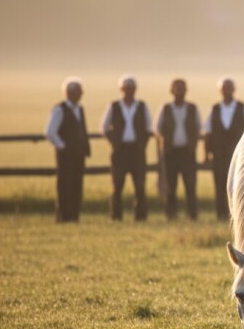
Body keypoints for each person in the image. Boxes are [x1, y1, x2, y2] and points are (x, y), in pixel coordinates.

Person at [102, 75, 152, 221]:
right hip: (120, 151)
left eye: (131, 88)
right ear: (121, 89)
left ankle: (140, 215)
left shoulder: (142, 106)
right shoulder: (114, 106)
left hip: (137, 150)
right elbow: (104, 127)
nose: (129, 91)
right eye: (127, 88)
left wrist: (142, 143)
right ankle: (116, 215)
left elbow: (149, 127)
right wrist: (114, 142)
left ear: (135, 90)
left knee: (140, 186)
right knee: (117, 186)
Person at [204, 77, 244, 221]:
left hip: (237, 155)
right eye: (224, 88)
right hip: (218, 155)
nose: (227, 91)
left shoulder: (243, 108)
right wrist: (206, 154)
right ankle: (221, 215)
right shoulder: (214, 109)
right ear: (220, 91)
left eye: (229, 88)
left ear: (234, 90)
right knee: (219, 185)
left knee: (239, 185)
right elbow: (207, 132)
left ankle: (238, 214)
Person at [45, 77, 91, 223]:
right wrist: (63, 146)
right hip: (65, 155)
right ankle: (63, 215)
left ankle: (74, 215)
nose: (80, 94)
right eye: (77, 92)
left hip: (78, 154)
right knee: (65, 184)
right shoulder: (60, 109)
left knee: (77, 184)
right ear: (68, 93)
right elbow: (50, 132)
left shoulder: (80, 109)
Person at [157, 78, 201, 221]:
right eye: (177, 88)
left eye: (182, 88)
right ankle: (171, 215)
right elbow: (158, 128)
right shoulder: (165, 109)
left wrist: (193, 144)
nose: (179, 92)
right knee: (170, 186)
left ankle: (192, 215)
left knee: (190, 185)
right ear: (172, 91)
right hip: (171, 153)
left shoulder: (193, 108)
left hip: (187, 152)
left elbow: (199, 126)